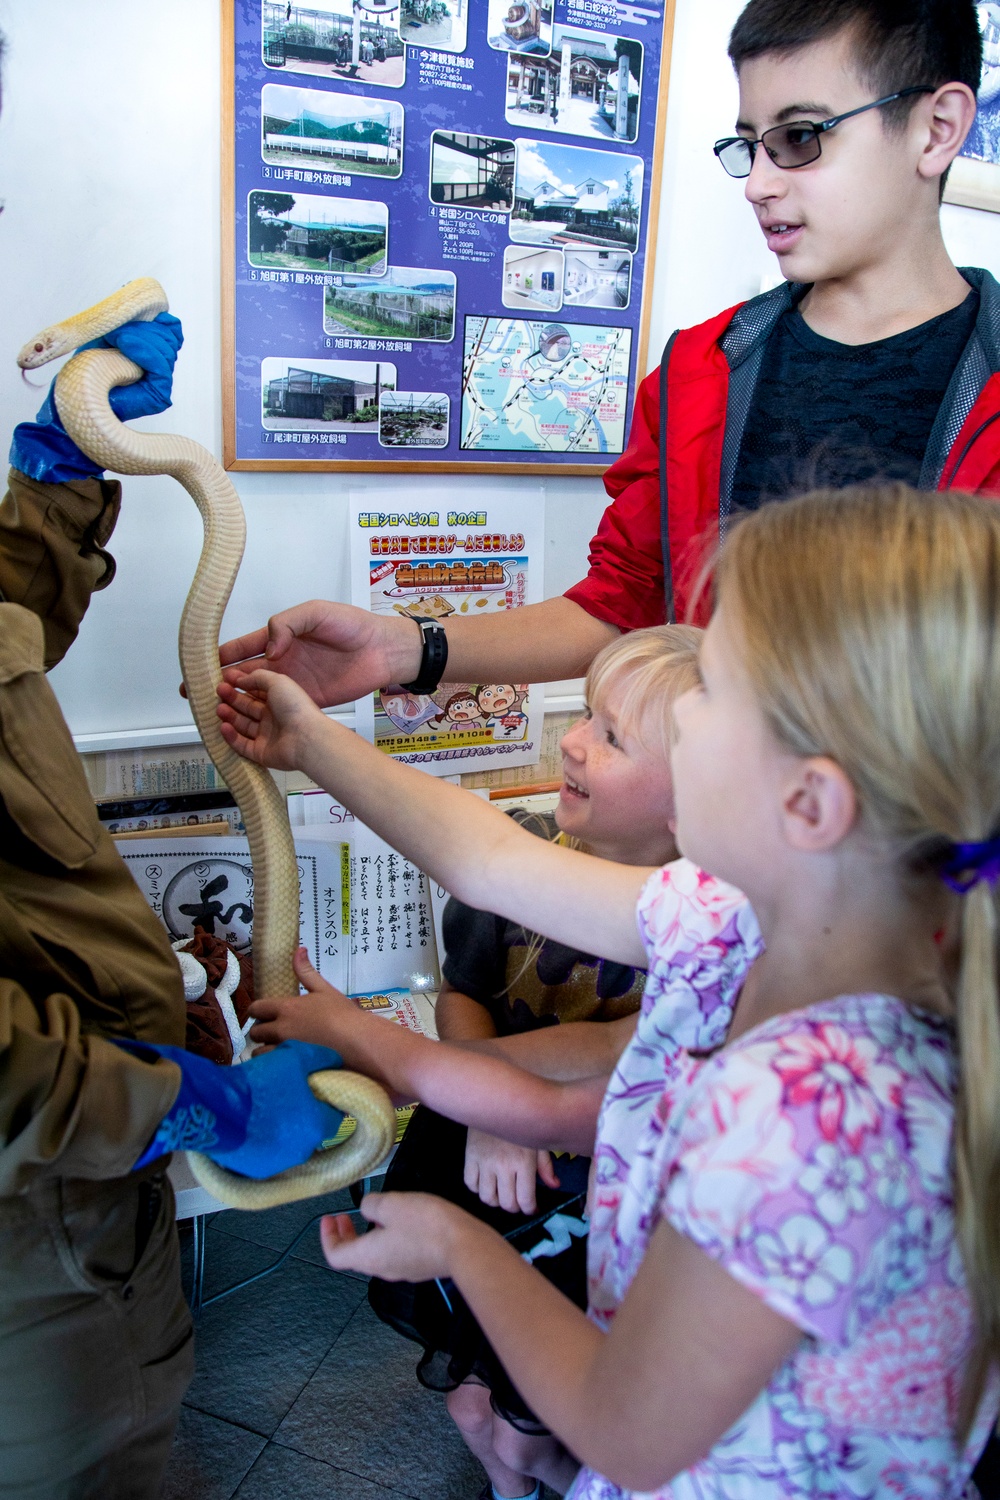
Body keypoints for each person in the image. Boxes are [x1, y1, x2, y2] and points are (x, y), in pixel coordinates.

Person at [220, 482, 1000, 1497]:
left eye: (711, 689)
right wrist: (311, 741)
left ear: (807, 801)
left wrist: (460, 1245)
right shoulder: (742, 916)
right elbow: (491, 862)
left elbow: (627, 1432)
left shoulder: (810, 1110)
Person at [217, 0, 1000, 705]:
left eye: (799, 139)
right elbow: (625, 600)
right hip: (717, 843)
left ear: (936, 129)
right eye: (746, 146)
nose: (758, 183)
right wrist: (404, 646)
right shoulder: (704, 370)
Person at [370, 628, 698, 1500]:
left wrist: (495, 1102)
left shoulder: (707, 937)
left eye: (613, 736)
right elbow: (461, 991)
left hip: (595, 1199)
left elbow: (610, 1058)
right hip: (482, 1149)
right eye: (585, 715)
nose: (573, 741)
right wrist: (484, 1107)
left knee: (530, 1425)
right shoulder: (528, 845)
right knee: (477, 1412)